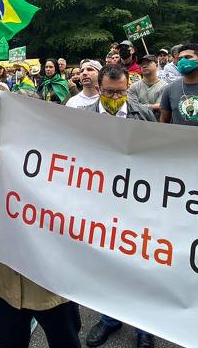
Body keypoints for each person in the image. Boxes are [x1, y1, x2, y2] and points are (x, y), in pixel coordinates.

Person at [0, 143, 82, 348]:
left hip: (52, 288)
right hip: (5, 284)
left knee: (65, 341)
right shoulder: (0, 148)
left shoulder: (67, 149)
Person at [79, 64, 155, 347]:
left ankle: (143, 326)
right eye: (109, 92)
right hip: (101, 203)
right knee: (107, 264)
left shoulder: (143, 114)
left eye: (120, 92)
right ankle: (109, 318)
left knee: (140, 263)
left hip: (138, 201)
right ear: (99, 88)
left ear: (128, 88)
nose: (115, 96)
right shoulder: (85, 118)